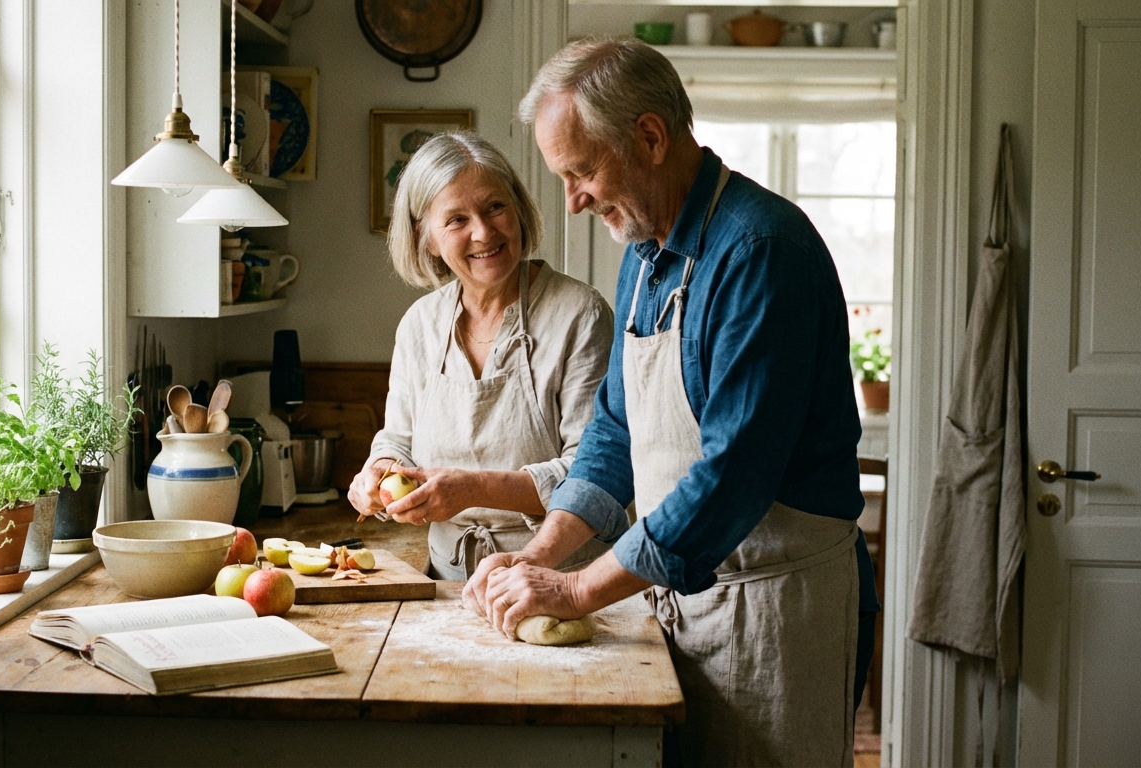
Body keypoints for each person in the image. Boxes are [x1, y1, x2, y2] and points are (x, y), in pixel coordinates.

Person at [462, 39, 880, 767]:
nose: (573, 200)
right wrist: (534, 557)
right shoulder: (646, 256)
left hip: (774, 612)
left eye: (582, 170)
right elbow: (615, 435)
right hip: (683, 602)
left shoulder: (761, 251)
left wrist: (578, 589)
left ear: (650, 137)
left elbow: (733, 476)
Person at [348, 131, 614, 581]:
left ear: (519, 211)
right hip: (445, 580)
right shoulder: (420, 325)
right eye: (456, 219)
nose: (484, 232)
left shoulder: (579, 315)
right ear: (428, 239)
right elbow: (398, 439)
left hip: (558, 579)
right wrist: (379, 472)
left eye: (495, 207)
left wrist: (473, 488)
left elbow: (590, 473)